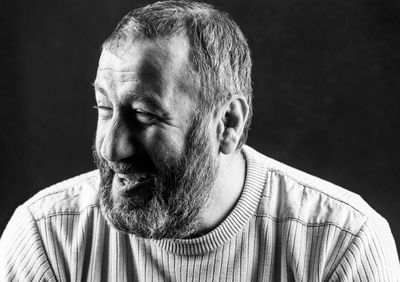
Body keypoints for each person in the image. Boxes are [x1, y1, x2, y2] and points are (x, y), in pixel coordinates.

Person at [1, 1, 399, 281]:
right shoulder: (45, 239)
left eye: (144, 115)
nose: (111, 148)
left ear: (227, 123)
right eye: (104, 108)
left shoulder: (343, 245)